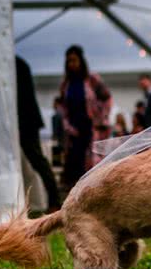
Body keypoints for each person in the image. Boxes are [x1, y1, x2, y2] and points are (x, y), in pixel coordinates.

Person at [58, 45, 112, 191]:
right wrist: (67, 125)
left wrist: (99, 117)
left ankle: (92, 193)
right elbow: (62, 107)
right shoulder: (65, 84)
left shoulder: (91, 79)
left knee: (91, 163)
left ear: (81, 61)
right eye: (69, 61)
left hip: (90, 126)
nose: (72, 64)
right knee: (74, 164)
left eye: (75, 60)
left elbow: (107, 98)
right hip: (73, 130)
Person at [16, 56, 60, 212]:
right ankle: (54, 200)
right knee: (38, 161)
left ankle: (55, 200)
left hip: (26, 121)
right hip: (27, 120)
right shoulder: (19, 63)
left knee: (38, 161)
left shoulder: (16, 65)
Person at [51, 96, 65, 167]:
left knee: (57, 159)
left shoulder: (56, 115)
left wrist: (54, 136)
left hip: (60, 140)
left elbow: (55, 130)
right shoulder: (65, 114)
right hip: (64, 140)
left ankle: (57, 165)